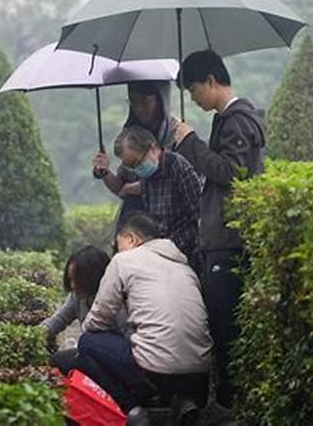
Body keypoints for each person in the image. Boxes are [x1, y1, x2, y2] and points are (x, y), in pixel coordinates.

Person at [174, 49, 266, 420]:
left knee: (226, 324)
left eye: (194, 89)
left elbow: (231, 172)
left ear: (212, 80)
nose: (194, 98)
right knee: (222, 322)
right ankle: (227, 399)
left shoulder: (237, 122)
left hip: (228, 242)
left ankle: (228, 404)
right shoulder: (226, 120)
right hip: (220, 239)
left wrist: (189, 142)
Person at [76, 212, 213, 426]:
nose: (116, 251)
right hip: (200, 375)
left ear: (132, 239)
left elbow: (98, 319)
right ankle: (181, 400)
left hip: (156, 371)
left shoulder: (124, 260)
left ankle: (134, 410)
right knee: (156, 349)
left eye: (118, 244)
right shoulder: (185, 268)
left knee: (87, 343)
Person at [95, 125, 202, 260]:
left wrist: (172, 249)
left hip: (182, 250)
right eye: (132, 167)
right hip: (154, 249)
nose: (138, 169)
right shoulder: (145, 175)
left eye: (138, 163)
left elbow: (198, 215)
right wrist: (104, 171)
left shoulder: (178, 167)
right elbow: (121, 189)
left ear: (153, 148)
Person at [92, 81, 184, 227]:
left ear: (160, 100)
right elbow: (122, 188)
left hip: (172, 219)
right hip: (137, 220)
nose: (139, 108)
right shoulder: (130, 136)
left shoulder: (178, 134)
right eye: (133, 102)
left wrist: (143, 186)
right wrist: (105, 172)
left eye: (145, 101)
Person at [40, 246, 127, 375]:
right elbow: (59, 319)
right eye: (70, 280)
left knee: (87, 342)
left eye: (77, 280)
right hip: (91, 354)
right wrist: (34, 335)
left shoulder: (116, 299)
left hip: (116, 360)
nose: (73, 285)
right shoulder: (77, 297)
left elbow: (127, 338)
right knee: (58, 360)